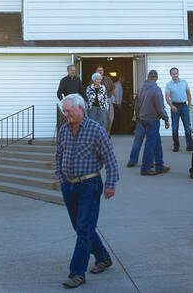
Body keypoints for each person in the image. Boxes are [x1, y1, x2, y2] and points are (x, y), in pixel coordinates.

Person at [55, 94, 119, 289]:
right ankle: (103, 257)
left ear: (81, 108)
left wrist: (111, 184)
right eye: (64, 111)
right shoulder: (64, 130)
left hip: (89, 186)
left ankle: (77, 273)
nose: (66, 115)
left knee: (83, 229)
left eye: (69, 111)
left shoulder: (96, 130)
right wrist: (61, 176)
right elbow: (59, 154)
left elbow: (110, 159)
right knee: (82, 228)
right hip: (69, 185)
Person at [133, 70, 171, 175]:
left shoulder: (141, 89)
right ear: (156, 78)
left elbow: (136, 105)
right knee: (150, 144)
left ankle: (159, 165)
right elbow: (159, 106)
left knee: (157, 143)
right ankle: (145, 168)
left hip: (142, 119)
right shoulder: (156, 89)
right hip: (152, 120)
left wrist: (138, 116)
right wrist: (166, 118)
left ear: (148, 77)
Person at [165, 67, 193, 152]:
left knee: (187, 127)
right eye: (173, 74)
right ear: (170, 75)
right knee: (175, 127)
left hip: (184, 106)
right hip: (175, 107)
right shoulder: (169, 85)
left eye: (176, 73)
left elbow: (188, 94)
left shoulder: (184, 82)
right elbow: (167, 97)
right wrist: (171, 106)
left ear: (178, 73)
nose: (175, 75)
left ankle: (189, 145)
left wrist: (189, 105)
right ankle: (176, 145)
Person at [57, 65, 87, 129]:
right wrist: (63, 102)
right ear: (68, 71)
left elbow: (82, 91)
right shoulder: (63, 80)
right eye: (71, 70)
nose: (73, 72)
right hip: (68, 103)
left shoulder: (77, 80)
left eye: (74, 70)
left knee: (80, 118)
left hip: (77, 102)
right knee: (69, 119)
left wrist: (85, 100)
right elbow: (59, 93)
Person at [95, 65, 115, 136]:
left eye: (102, 70)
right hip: (98, 101)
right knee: (100, 118)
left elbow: (113, 89)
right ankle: (100, 134)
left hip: (108, 100)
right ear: (96, 71)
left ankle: (107, 133)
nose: (100, 72)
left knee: (110, 117)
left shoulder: (108, 79)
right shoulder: (93, 80)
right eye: (99, 70)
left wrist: (117, 99)